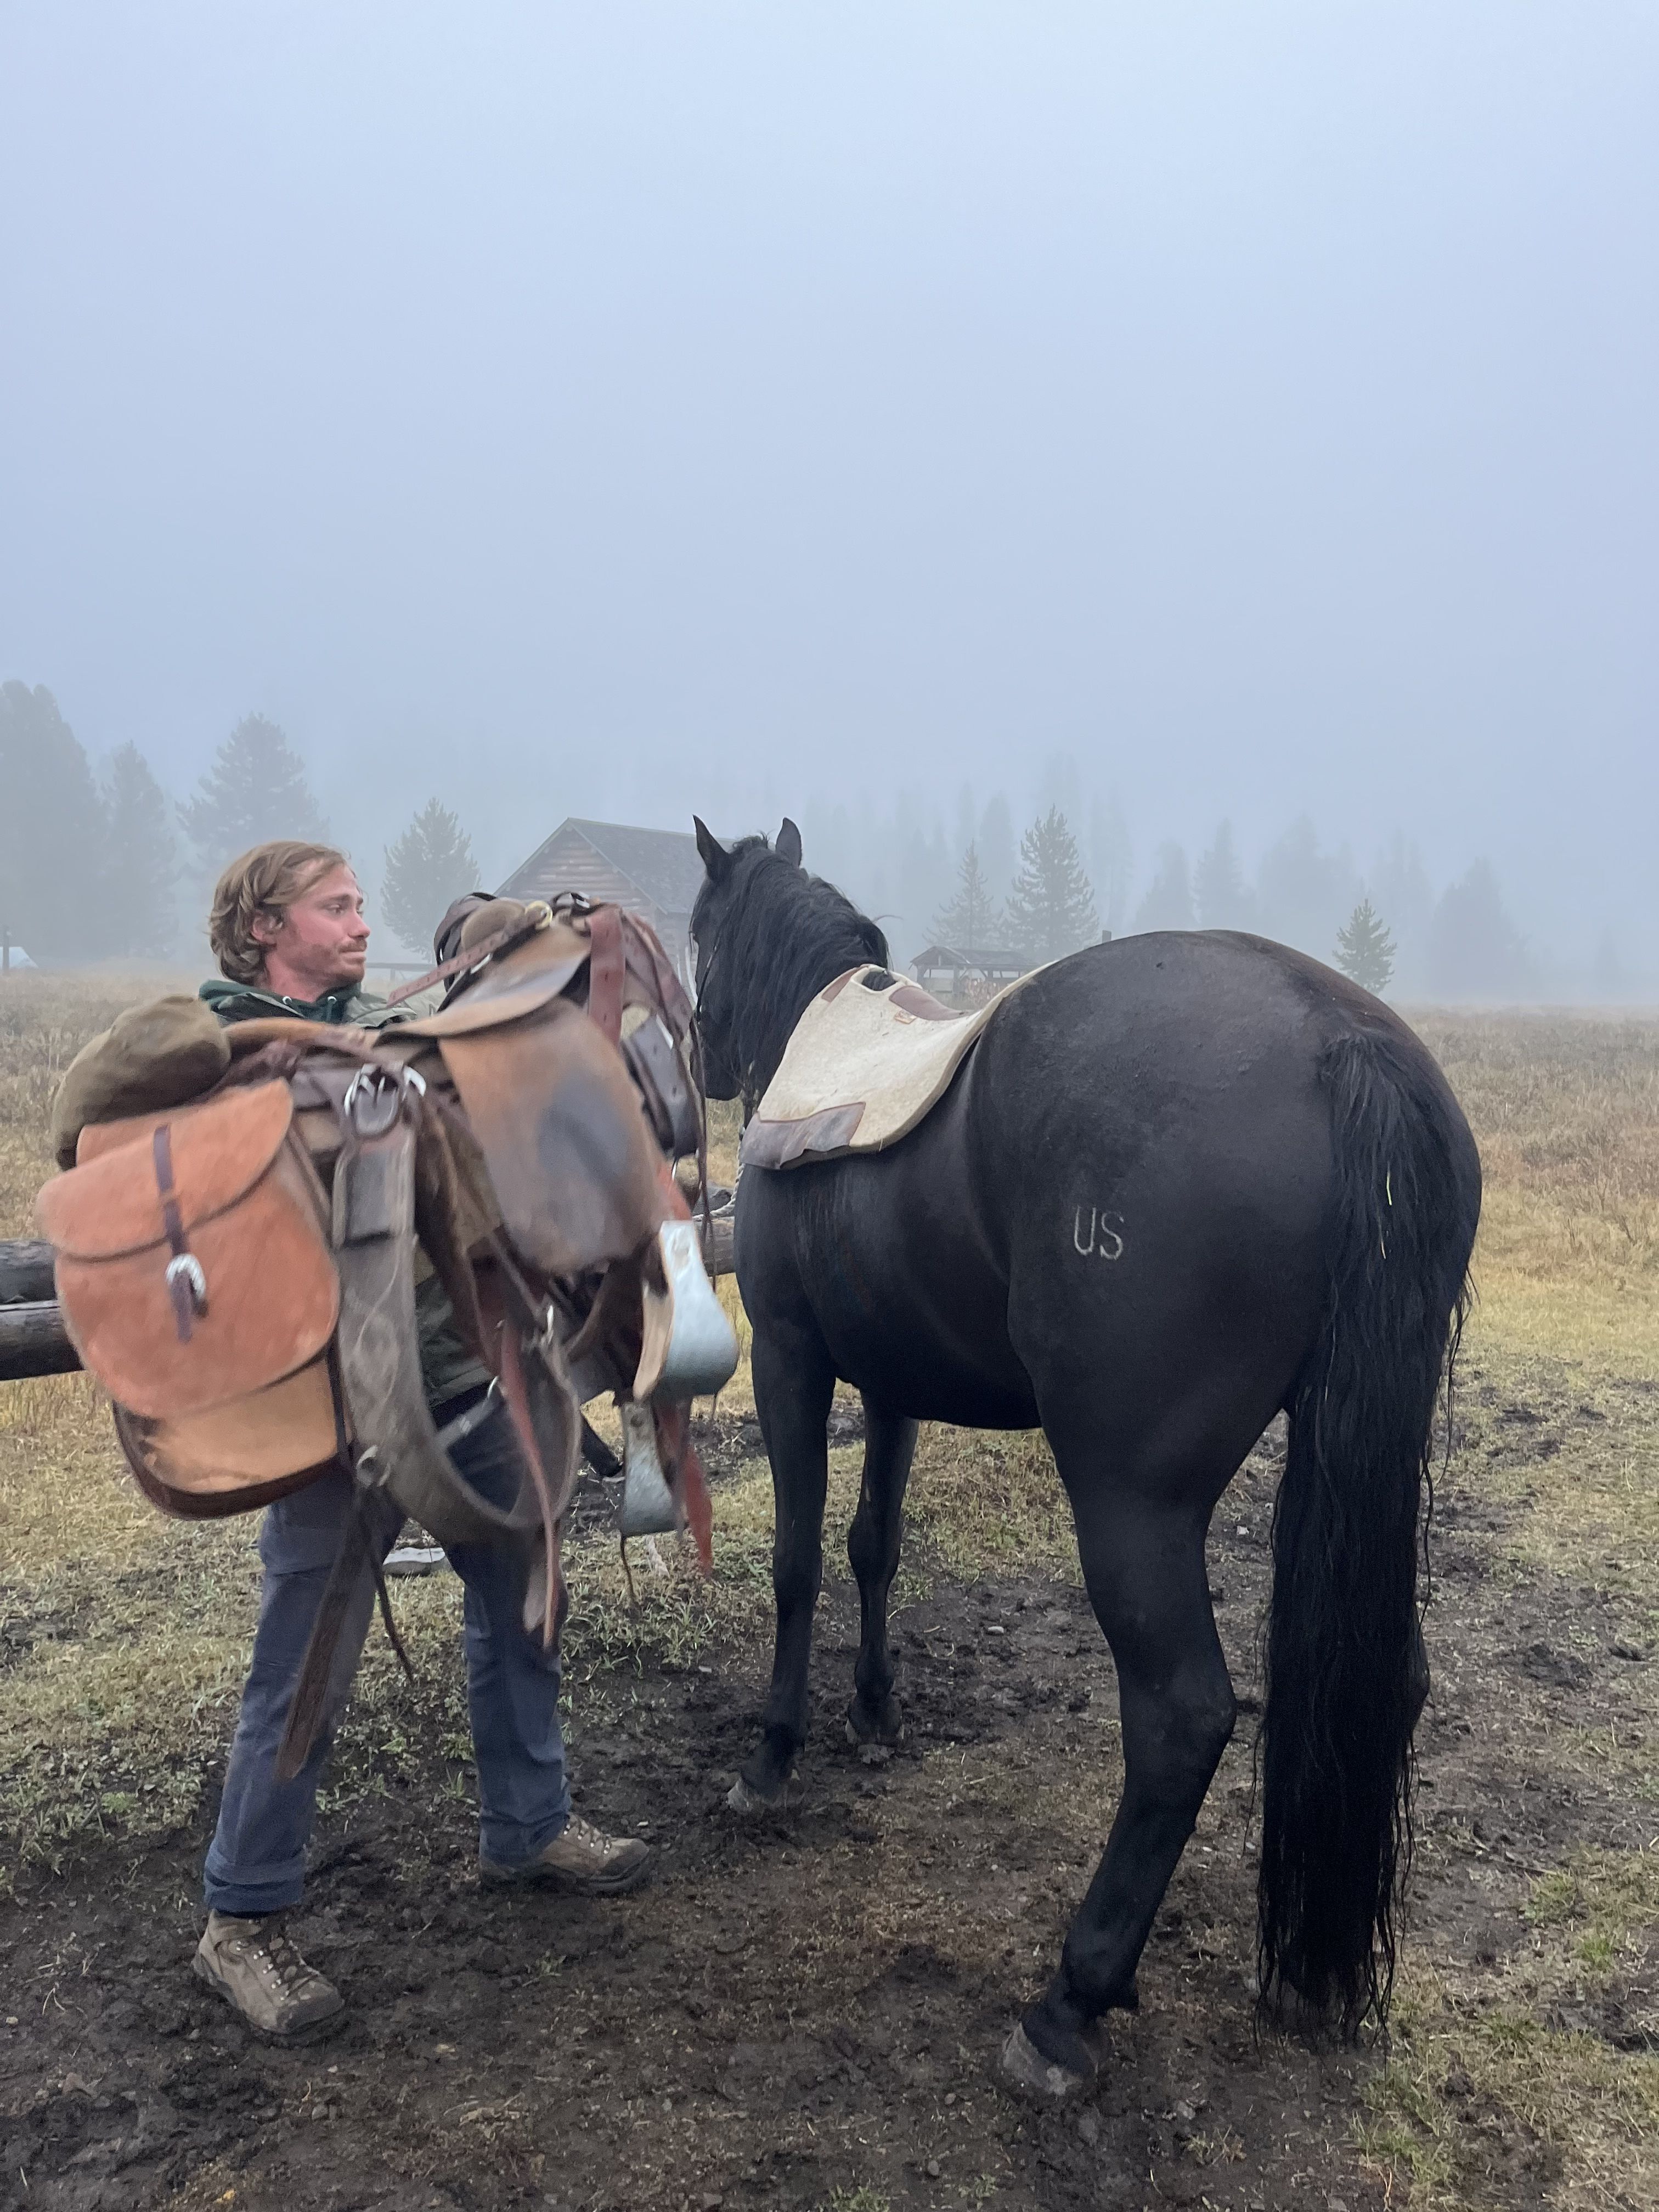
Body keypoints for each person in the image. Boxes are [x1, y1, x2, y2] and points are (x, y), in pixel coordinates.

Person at [191, 840, 647, 2040]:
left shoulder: (387, 1037)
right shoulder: (220, 1060)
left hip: (454, 1382)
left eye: (356, 906)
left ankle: (528, 1825)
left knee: (525, 1593)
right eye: (335, 908)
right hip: (329, 1420)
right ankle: (242, 1918)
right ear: (264, 930)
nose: (359, 924)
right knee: (303, 1671)